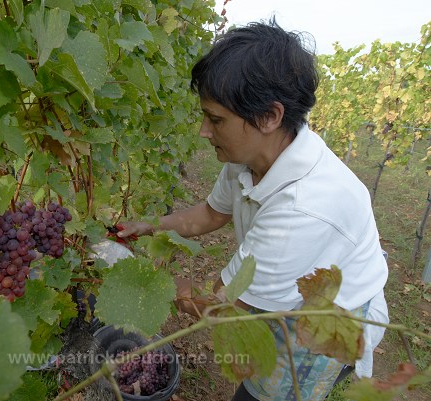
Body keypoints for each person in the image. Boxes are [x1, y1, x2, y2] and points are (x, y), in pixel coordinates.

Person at [116, 19, 389, 401]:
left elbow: (225, 307)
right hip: (284, 299)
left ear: (269, 116)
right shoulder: (249, 157)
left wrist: (136, 284)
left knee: (270, 393)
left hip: (328, 322)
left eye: (215, 119)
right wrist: (146, 226)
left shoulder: (302, 209)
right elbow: (210, 215)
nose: (203, 131)